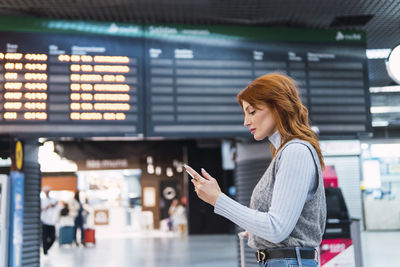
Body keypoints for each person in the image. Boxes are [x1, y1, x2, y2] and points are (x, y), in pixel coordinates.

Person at [184, 73, 326, 267]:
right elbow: (284, 226)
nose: (246, 121)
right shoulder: (287, 152)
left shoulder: (295, 152)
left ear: (277, 107)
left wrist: (217, 199)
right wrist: (257, 229)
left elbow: (277, 228)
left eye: (252, 112)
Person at [40, 186, 59, 255]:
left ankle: (46, 248)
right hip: (45, 222)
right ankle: (45, 251)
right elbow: (42, 209)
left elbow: (56, 206)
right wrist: (48, 206)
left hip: (52, 222)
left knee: (53, 237)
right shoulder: (43, 200)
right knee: (44, 237)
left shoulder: (53, 200)